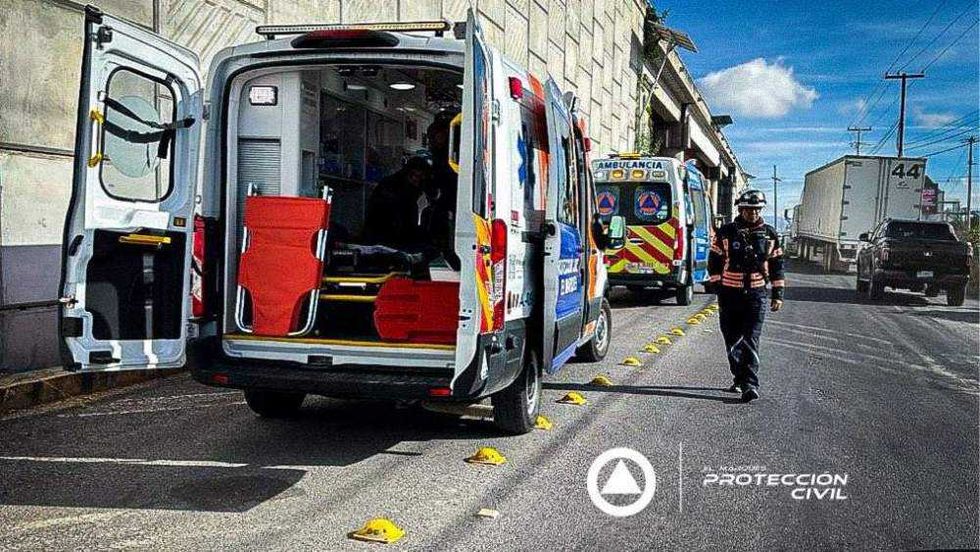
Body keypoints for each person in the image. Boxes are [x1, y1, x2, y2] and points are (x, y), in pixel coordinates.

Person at [706, 189, 785, 403]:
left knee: (751, 338)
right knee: (731, 339)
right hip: (729, 295)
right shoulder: (726, 232)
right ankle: (739, 377)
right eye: (749, 210)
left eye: (757, 209)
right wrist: (716, 286)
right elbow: (714, 260)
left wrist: (777, 294)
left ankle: (750, 383)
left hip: (756, 296)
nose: (753, 213)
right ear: (741, 209)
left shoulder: (770, 234)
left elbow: (777, 266)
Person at [363, 156, 431, 250]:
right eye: (417, 177)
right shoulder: (397, 189)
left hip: (384, 237)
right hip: (386, 238)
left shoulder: (396, 184)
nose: (418, 181)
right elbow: (398, 217)